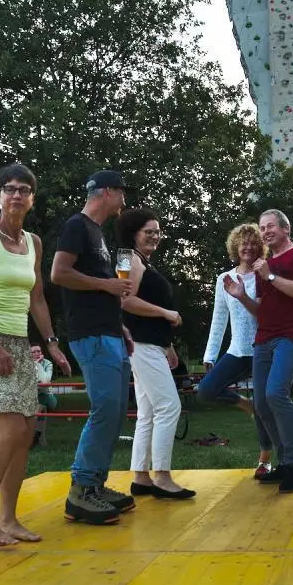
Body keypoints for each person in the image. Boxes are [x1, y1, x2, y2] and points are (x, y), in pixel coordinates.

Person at [0, 163, 72, 546]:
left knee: (24, 435)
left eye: (24, 189)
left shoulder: (34, 242)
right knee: (11, 430)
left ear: (32, 199)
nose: (17, 195)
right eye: (10, 189)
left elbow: (36, 296)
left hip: (21, 345)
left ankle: (8, 517)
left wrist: (51, 341)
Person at [50, 169, 138, 524]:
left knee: (116, 411)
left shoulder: (97, 234)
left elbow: (105, 284)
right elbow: (58, 273)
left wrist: (120, 325)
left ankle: (96, 486)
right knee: (105, 408)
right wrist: (107, 288)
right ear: (104, 193)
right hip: (89, 333)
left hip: (109, 332)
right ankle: (81, 491)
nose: (124, 199)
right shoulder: (77, 225)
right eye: (121, 192)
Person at [118, 208, 195, 500]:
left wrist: (168, 345)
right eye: (148, 231)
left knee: (148, 412)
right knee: (169, 407)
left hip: (151, 344)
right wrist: (167, 313)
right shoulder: (127, 257)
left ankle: (141, 477)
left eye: (158, 231)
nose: (155, 236)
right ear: (133, 232)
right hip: (140, 345)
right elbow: (125, 301)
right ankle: (162, 476)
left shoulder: (139, 261)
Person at [244, 209, 293, 493]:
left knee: (276, 392)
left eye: (270, 226)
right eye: (262, 228)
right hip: (264, 337)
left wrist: (270, 275)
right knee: (261, 402)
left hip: (291, 335)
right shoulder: (264, 265)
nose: (265, 232)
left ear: (285, 228)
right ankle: (284, 462)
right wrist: (242, 297)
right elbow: (262, 309)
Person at [200, 223, 275, 478]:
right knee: (206, 389)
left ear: (260, 248)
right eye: (243, 242)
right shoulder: (224, 278)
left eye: (254, 243)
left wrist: (244, 295)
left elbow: (266, 316)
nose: (248, 247)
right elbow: (218, 319)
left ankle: (265, 458)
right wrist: (210, 355)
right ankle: (249, 406)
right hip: (236, 351)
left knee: (265, 404)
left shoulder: (264, 275)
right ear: (235, 246)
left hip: (262, 350)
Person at [30, 344, 57, 447]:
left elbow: (45, 381)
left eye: (39, 351)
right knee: (42, 409)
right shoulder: (26, 365)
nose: (37, 354)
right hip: (33, 399)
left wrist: (38, 364)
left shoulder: (47, 363)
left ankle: (31, 434)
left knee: (42, 397)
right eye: (34, 352)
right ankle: (39, 437)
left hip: (49, 398)